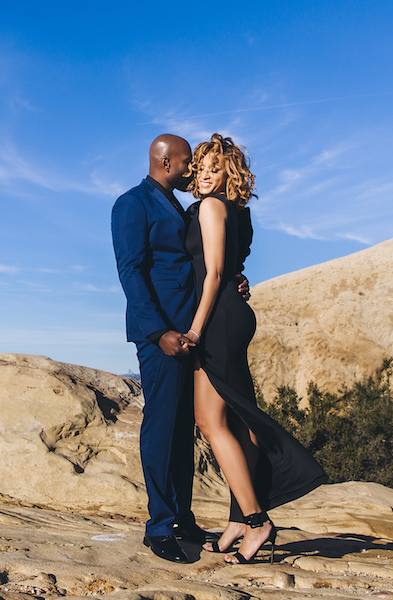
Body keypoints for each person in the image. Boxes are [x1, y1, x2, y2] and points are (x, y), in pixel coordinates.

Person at [182, 134, 327, 564]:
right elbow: (234, 271)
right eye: (201, 168)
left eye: (215, 169)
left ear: (230, 173)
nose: (205, 176)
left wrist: (193, 331)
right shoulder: (238, 211)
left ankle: (256, 519)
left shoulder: (211, 208)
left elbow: (214, 274)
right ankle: (236, 522)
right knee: (229, 419)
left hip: (218, 319)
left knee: (215, 421)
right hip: (231, 314)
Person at [111, 134, 248, 564]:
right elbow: (131, 272)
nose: (193, 170)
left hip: (194, 332)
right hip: (165, 336)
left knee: (183, 430)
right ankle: (158, 527)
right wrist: (158, 332)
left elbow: (203, 259)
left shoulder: (179, 203)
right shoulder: (132, 203)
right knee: (161, 425)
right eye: (188, 163)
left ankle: (182, 518)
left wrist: (233, 281)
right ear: (166, 160)